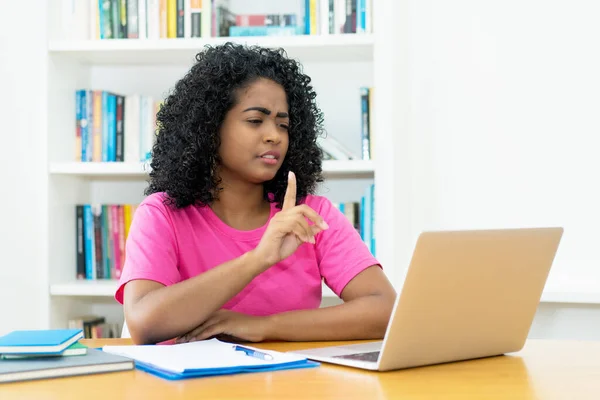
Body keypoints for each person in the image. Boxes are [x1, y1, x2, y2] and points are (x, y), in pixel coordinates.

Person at [115, 42, 396, 345]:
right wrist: (259, 258)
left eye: (283, 124)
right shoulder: (163, 214)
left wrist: (263, 327)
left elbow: (385, 310)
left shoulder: (310, 215)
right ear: (210, 128)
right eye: (255, 120)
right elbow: (144, 322)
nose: (274, 135)